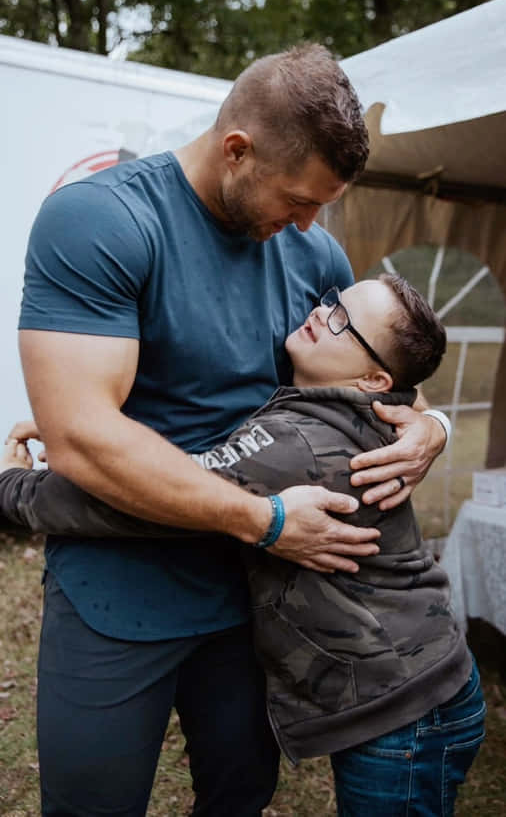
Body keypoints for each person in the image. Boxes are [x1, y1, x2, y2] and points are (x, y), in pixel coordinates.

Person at [14, 43, 449, 816]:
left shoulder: (310, 248)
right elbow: (80, 437)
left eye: (324, 206)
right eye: (299, 199)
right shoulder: (101, 219)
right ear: (237, 150)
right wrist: (267, 518)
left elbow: (362, 381)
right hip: (119, 591)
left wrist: (431, 423)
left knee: (239, 796)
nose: (311, 225)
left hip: (255, 602)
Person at [1, 274, 483, 816]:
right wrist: (434, 422)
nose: (322, 314)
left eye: (343, 322)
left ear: (372, 378)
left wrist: (13, 489)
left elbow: (150, 497)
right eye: (331, 303)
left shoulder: (294, 444)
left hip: (405, 709)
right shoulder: (355, 413)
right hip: (417, 685)